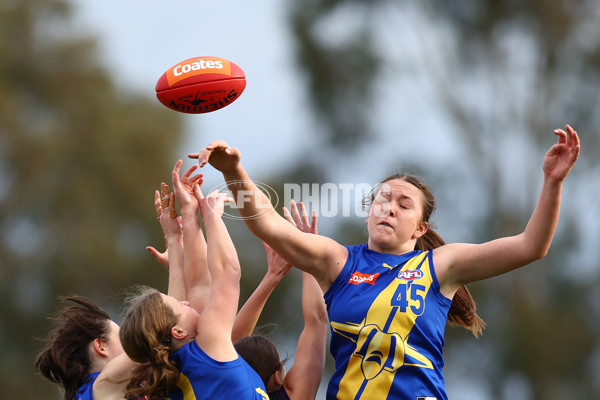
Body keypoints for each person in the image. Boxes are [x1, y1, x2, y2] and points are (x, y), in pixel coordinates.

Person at [190, 125, 580, 399]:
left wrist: (553, 183)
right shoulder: (337, 262)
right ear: (368, 215)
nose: (388, 208)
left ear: (420, 227)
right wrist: (234, 171)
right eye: (382, 200)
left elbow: (531, 246)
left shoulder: (441, 266)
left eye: (402, 204)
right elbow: (270, 226)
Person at [118, 166, 269, 400]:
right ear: (177, 331)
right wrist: (212, 216)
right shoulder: (207, 346)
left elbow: (200, 284)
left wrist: (189, 214)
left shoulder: (174, 369)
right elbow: (227, 273)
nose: (185, 301)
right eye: (180, 306)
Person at [232, 203, 328, 400]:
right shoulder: (292, 397)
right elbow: (317, 321)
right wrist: (308, 252)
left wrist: (272, 276)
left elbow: (229, 342)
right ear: (277, 377)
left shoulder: (216, 389)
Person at [34, 296, 137, 400]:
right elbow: (145, 350)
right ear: (101, 346)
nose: (128, 344)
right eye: (121, 337)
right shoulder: (103, 385)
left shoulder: (85, 393)